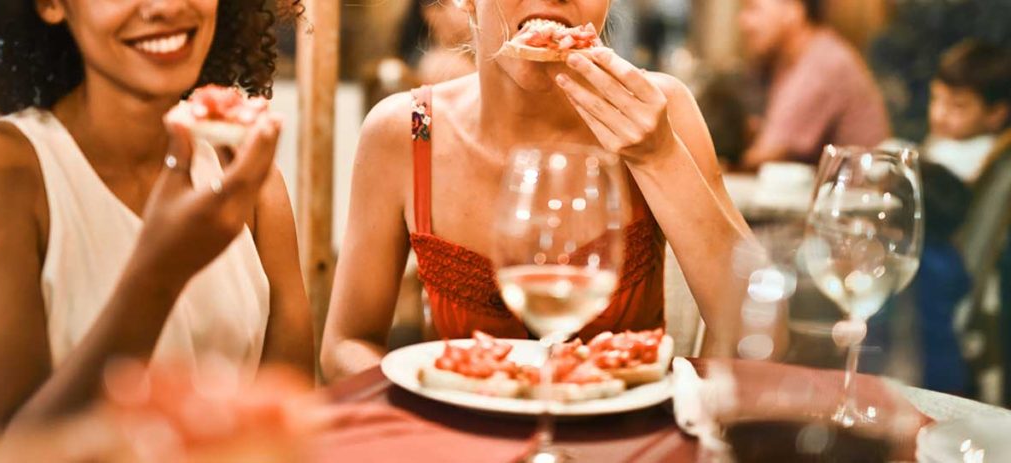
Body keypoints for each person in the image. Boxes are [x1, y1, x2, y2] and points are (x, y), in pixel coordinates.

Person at [321, 0, 753, 380]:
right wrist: (429, 392)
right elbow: (345, 346)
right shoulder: (407, 131)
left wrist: (658, 156)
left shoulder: (659, 108)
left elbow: (752, 326)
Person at [0, 0, 313, 429]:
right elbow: (11, 446)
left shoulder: (247, 178)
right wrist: (158, 275)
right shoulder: (8, 174)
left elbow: (291, 414)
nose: (166, 6)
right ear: (50, 5)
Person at [737, 0, 890, 169]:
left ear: (793, 10)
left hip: (860, 190)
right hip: (837, 188)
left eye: (753, 8)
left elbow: (766, 154)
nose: (743, 21)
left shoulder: (823, 62)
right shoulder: (791, 60)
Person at [923, 40, 1011, 183]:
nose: (940, 115)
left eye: (958, 106)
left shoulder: (982, 160)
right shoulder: (945, 139)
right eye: (935, 98)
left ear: (996, 114)